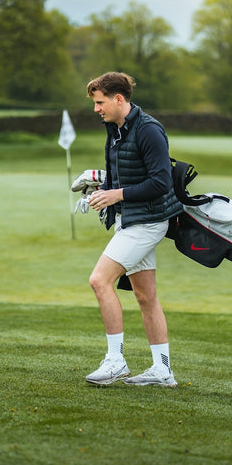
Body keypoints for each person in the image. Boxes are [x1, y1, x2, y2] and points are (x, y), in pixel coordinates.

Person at [85, 72, 183, 387]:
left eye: (100, 102)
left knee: (100, 281)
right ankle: (162, 370)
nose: (96, 109)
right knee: (145, 296)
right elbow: (121, 173)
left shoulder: (149, 130)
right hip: (131, 219)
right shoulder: (113, 129)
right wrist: (98, 185)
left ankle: (115, 361)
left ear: (118, 99)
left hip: (149, 221)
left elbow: (160, 182)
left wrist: (117, 194)